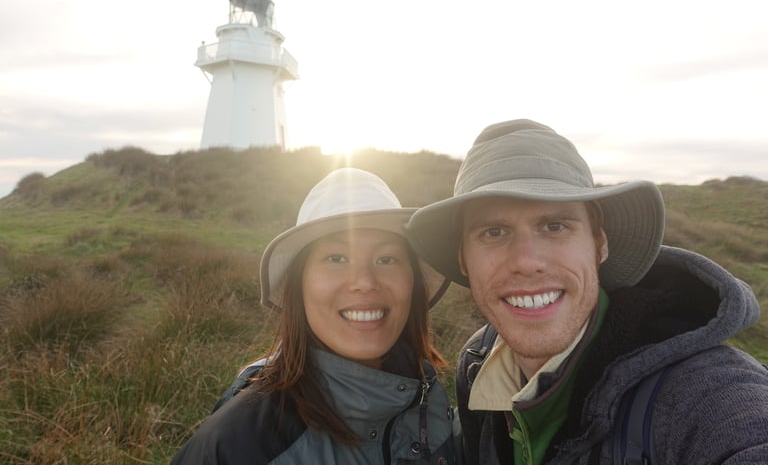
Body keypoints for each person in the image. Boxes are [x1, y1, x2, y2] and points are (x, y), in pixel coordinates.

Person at [406, 119, 768, 464]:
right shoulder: (477, 363)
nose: (527, 261)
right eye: (494, 233)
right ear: (464, 260)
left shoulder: (706, 394)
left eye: (554, 225)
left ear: (599, 244)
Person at [170, 167, 456, 464]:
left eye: (387, 258)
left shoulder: (428, 396)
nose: (365, 282)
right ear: (299, 283)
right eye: (336, 258)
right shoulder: (237, 445)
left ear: (413, 282)